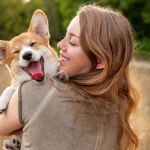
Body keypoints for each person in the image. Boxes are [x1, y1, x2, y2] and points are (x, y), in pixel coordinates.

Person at [0, 4, 138, 150]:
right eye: (65, 36)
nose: (59, 44)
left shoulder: (33, 91)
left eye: (72, 42)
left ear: (99, 61)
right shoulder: (118, 106)